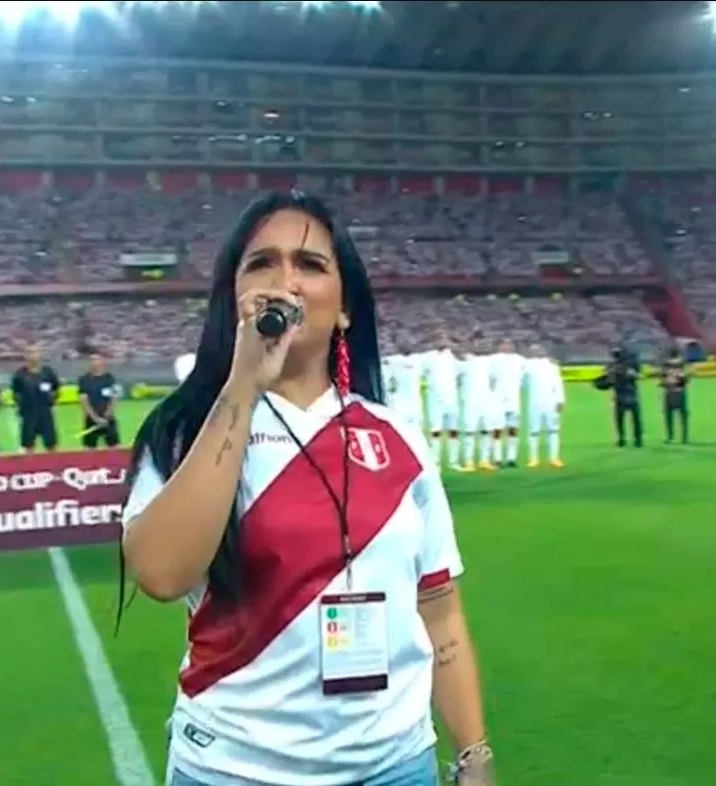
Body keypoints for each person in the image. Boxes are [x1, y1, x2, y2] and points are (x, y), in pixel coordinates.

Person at [121, 192, 494, 786]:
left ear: (345, 308)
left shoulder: (398, 439)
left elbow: (441, 614)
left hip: (396, 766)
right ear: (233, 299)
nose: (285, 281)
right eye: (261, 263)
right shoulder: (184, 430)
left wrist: (474, 755)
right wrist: (244, 383)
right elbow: (161, 574)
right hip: (232, 768)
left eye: (311, 265)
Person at [422, 333, 462, 470]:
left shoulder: (452, 357)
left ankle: (454, 462)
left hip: (452, 398)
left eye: (445, 339)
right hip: (435, 400)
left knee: (453, 431)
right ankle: (435, 462)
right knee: (435, 431)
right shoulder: (427, 357)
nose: (442, 341)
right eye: (439, 339)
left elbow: (463, 372)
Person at [11, 344, 61, 453]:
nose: (32, 355)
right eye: (29, 352)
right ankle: (29, 469)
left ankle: (55, 468)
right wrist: (22, 406)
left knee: (52, 446)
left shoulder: (48, 372)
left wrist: (52, 398)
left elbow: (57, 389)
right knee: (28, 447)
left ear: (40, 355)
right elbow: (16, 394)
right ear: (25, 356)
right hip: (29, 416)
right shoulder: (20, 375)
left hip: (46, 414)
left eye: (35, 352)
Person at [523, 344, 565, 468]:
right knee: (533, 431)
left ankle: (554, 458)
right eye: (533, 350)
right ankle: (533, 458)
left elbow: (558, 383)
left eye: (539, 349)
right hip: (534, 402)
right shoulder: (527, 365)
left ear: (544, 350)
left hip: (551, 402)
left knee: (553, 430)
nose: (537, 351)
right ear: (529, 352)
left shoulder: (552, 366)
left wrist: (560, 399)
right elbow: (523, 382)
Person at [459, 339, 496, 472]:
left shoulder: (491, 361)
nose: (480, 346)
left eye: (483, 344)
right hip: (470, 401)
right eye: (478, 343)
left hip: (486, 401)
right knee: (469, 432)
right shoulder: (466, 361)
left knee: (486, 431)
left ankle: (484, 460)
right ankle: (469, 461)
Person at [595, 346, 642, 447]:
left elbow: (606, 381)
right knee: (634, 419)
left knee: (620, 419)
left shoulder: (612, 367)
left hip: (621, 394)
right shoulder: (629, 366)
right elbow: (637, 375)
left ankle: (623, 439)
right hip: (630, 393)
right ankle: (637, 440)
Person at [489, 339, 526, 468]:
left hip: (514, 400)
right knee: (497, 430)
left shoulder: (520, 360)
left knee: (513, 429)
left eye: (510, 343)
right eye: (504, 343)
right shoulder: (492, 359)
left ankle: (512, 458)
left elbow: (529, 372)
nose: (507, 346)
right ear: (499, 345)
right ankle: (497, 458)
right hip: (497, 399)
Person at [77, 350, 122, 449]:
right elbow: (83, 401)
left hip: (108, 419)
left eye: (96, 359)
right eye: (92, 360)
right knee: (89, 449)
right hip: (91, 419)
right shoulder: (84, 380)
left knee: (114, 448)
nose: (93, 362)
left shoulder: (110, 379)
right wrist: (95, 418)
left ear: (103, 361)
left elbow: (114, 398)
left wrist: (108, 415)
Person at [660, 346, 690, 444]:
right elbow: (685, 380)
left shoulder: (666, 366)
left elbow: (662, 381)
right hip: (680, 392)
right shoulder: (681, 367)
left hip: (669, 393)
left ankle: (670, 437)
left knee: (669, 416)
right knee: (683, 416)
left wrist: (665, 384)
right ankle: (684, 437)